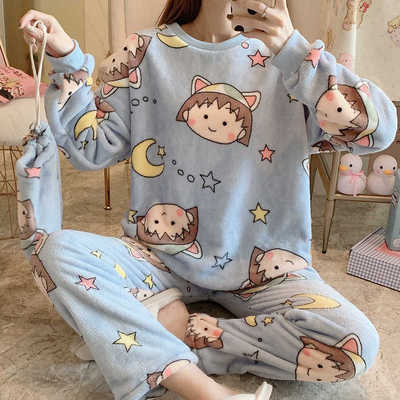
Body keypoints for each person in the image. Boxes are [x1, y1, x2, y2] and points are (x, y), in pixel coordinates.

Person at [18, 1, 397, 400]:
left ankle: (163, 334)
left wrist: (296, 53)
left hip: (266, 269)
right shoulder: (144, 51)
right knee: (56, 252)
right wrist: (65, 57)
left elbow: (376, 132)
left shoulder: (292, 62)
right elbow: (90, 147)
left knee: (355, 343)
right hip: (158, 258)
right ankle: (194, 381)